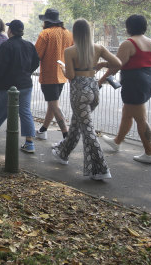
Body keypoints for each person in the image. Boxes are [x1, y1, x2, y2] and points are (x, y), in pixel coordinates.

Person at [51, 19, 121, 180]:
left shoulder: (70, 51)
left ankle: (99, 169)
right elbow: (117, 63)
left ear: (75, 33)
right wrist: (102, 66)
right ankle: (62, 153)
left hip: (79, 92)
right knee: (77, 124)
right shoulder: (98, 48)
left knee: (88, 131)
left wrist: (63, 68)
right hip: (93, 89)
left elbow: (71, 75)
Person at [100, 15, 151, 164]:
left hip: (134, 82)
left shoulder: (128, 44)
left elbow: (116, 64)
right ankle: (117, 142)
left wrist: (100, 76)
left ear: (129, 27)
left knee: (140, 119)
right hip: (148, 79)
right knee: (128, 112)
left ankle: (149, 153)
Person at [0, 20, 40, 153]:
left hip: (6, 85)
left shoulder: (6, 46)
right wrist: (27, 72)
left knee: (2, 110)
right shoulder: (29, 45)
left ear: (11, 31)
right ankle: (29, 143)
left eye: (9, 29)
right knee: (25, 111)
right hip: (25, 84)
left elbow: (1, 66)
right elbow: (36, 62)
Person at [35, 8, 73, 140]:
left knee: (54, 105)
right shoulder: (68, 33)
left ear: (46, 21)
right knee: (53, 104)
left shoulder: (45, 34)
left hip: (49, 75)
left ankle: (66, 135)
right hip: (63, 74)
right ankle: (43, 130)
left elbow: (37, 55)